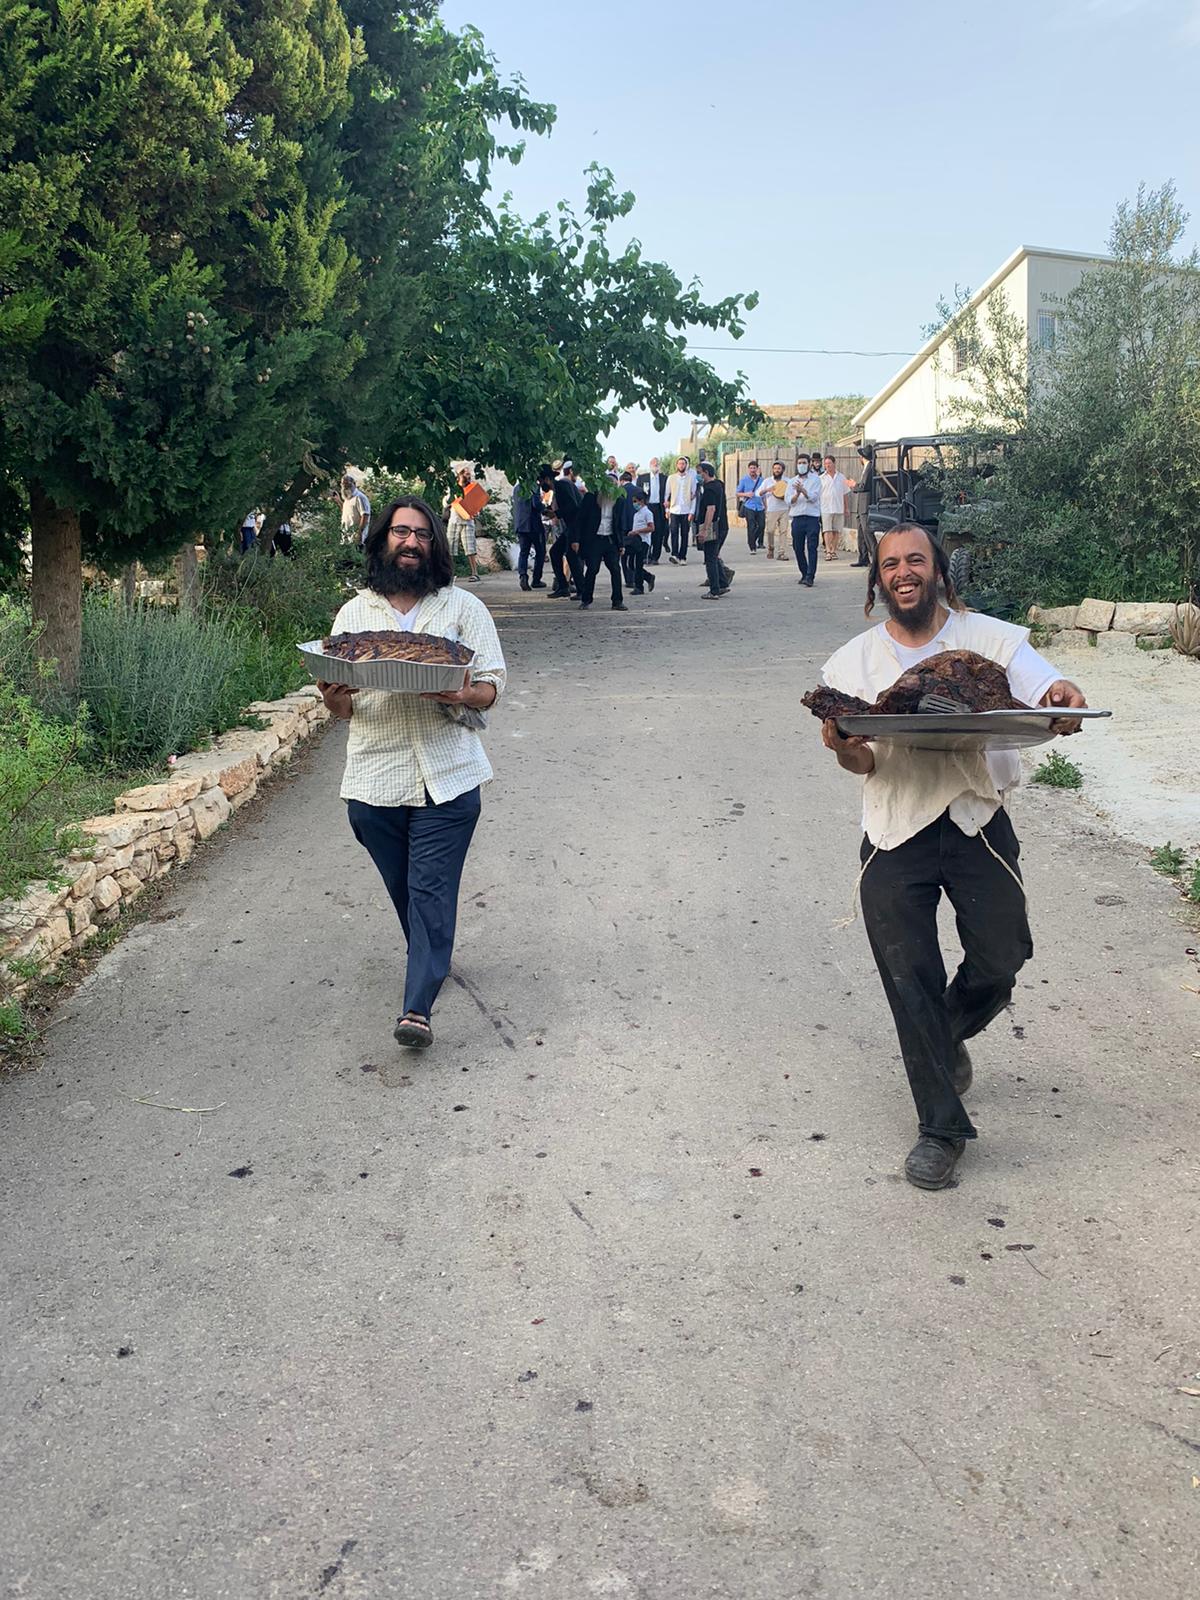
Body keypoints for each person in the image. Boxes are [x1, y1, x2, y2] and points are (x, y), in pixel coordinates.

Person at [817, 524, 1087, 1190]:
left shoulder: (992, 640)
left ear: (939, 571)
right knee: (909, 980)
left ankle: (944, 1035)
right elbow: (863, 761)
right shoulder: (851, 663)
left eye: (916, 560)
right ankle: (940, 1130)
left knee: (1002, 956)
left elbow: (1047, 689)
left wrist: (1062, 696)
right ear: (878, 580)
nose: (903, 572)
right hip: (895, 826)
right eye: (890, 565)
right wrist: (845, 748)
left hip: (977, 817)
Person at [317, 495, 506, 1052]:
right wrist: (332, 697)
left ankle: (417, 1007)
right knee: (409, 890)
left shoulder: (463, 608)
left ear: (434, 545)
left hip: (449, 773)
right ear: (382, 540)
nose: (411, 543)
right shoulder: (354, 616)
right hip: (373, 780)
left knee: (429, 887)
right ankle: (432, 951)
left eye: (422, 535)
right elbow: (343, 710)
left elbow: (492, 685)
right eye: (401, 532)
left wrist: (464, 692)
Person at [578, 478, 628, 611]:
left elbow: (620, 524)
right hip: (595, 539)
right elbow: (581, 520)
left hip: (610, 539)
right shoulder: (591, 498)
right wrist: (577, 540)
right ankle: (586, 599)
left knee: (615, 569)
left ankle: (617, 601)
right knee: (592, 569)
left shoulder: (619, 501)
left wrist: (621, 544)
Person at [540, 463, 585, 598]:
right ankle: (564, 587)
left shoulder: (562, 486)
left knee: (570, 556)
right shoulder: (559, 488)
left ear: (547, 479)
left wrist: (556, 514)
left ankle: (581, 590)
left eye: (541, 481)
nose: (540, 484)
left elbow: (573, 507)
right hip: (571, 526)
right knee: (556, 553)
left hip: (576, 526)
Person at [695, 462, 733, 599]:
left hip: (713, 527)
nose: (698, 476)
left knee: (710, 558)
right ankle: (722, 583)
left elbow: (711, 509)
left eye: (699, 473)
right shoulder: (718, 485)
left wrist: (704, 530)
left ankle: (714, 590)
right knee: (714, 556)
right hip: (722, 526)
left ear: (705, 472)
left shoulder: (710, 489)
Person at [789, 452, 822, 587]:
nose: (801, 465)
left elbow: (814, 498)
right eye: (799, 463)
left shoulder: (815, 480)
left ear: (809, 464)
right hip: (797, 518)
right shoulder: (792, 481)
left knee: (812, 547)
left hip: (812, 518)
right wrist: (797, 493)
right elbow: (789, 500)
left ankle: (810, 576)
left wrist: (803, 490)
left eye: (804, 463)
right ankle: (804, 572)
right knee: (798, 547)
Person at [446, 467, 481, 583]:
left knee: (470, 548)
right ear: (460, 475)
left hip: (467, 521)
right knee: (450, 548)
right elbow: (446, 502)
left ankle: (475, 573)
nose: (468, 476)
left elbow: (477, 505)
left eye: (469, 474)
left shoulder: (472, 488)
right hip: (454, 520)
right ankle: (449, 573)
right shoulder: (453, 488)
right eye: (466, 474)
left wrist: (476, 512)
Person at [512, 481, 546, 591]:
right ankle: (536, 579)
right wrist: (545, 508)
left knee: (523, 552)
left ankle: (523, 576)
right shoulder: (533, 486)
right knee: (540, 552)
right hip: (533, 525)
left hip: (520, 524)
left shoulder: (517, 488)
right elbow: (536, 504)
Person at [819, 454, 853, 561]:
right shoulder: (821, 478)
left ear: (834, 463)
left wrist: (846, 508)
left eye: (829, 463)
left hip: (838, 507)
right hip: (825, 508)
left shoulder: (841, 477)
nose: (827, 465)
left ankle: (834, 550)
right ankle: (828, 551)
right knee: (827, 530)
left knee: (836, 531)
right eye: (826, 464)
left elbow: (845, 494)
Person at [624, 488, 657, 594]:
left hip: (643, 541)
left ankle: (639, 587)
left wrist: (637, 531)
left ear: (641, 501)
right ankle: (648, 577)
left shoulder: (647, 513)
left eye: (635, 501)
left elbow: (651, 527)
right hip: (635, 541)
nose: (634, 504)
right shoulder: (637, 514)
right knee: (631, 564)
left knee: (638, 564)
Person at [636, 458, 669, 563]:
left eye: (657, 464)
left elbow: (668, 493)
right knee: (646, 531)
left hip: (659, 508)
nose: (656, 465)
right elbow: (638, 493)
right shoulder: (642, 478)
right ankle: (645, 555)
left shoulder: (664, 478)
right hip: (647, 506)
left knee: (658, 533)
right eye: (654, 463)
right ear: (650, 465)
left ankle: (655, 557)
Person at [665, 456, 697, 563]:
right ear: (676, 465)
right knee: (674, 533)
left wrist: (692, 511)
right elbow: (666, 495)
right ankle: (674, 554)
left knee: (684, 534)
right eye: (680, 463)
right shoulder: (671, 478)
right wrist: (667, 510)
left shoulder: (691, 478)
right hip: (674, 509)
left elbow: (694, 496)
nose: (681, 465)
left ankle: (683, 557)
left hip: (686, 510)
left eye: (683, 463)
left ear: (686, 465)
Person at [852, 445, 875, 567]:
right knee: (861, 532)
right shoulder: (867, 467)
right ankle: (863, 557)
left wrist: (854, 485)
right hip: (861, 504)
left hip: (865, 503)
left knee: (867, 531)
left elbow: (864, 486)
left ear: (862, 457)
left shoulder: (869, 467)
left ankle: (876, 557)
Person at [761, 462, 791, 560]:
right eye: (775, 468)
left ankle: (782, 552)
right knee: (770, 531)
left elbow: (791, 493)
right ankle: (771, 548)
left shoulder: (788, 481)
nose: (776, 470)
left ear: (783, 470)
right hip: (771, 509)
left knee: (783, 531)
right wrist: (768, 490)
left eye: (779, 468)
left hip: (784, 509)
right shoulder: (767, 481)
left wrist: (785, 496)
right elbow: (759, 493)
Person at [736, 461, 766, 553]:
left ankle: (752, 540)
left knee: (761, 525)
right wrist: (746, 494)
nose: (752, 470)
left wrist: (766, 506)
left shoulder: (762, 480)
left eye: (754, 468)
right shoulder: (744, 480)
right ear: (748, 469)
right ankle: (752, 547)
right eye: (751, 468)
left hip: (760, 506)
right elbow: (737, 493)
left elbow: (764, 495)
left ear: (757, 469)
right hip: (749, 506)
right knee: (751, 526)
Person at [341, 474, 372, 545]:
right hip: (346, 538)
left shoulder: (360, 497)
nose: (345, 486)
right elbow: (347, 513)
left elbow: (365, 515)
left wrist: (359, 533)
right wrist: (338, 501)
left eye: (347, 484)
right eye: (343, 484)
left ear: (354, 483)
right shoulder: (347, 499)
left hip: (356, 538)